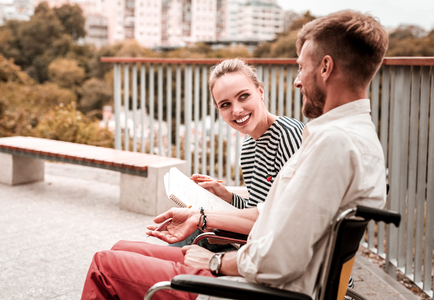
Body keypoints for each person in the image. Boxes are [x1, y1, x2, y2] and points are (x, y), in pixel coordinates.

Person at [81, 10, 389, 300]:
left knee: (105, 266)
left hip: (254, 287)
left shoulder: (334, 145)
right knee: (121, 249)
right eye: (224, 104)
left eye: (300, 67)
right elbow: (271, 213)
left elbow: (281, 260)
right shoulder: (347, 138)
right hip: (258, 275)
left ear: (325, 67)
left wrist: (215, 262)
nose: (297, 80)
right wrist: (200, 216)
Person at [171, 58, 304, 249]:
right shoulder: (249, 146)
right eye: (225, 104)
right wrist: (226, 196)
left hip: (277, 255)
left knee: (191, 233)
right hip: (257, 244)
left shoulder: (289, 136)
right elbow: (256, 209)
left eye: (243, 96)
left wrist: (221, 230)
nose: (237, 110)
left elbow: (295, 221)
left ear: (260, 91)